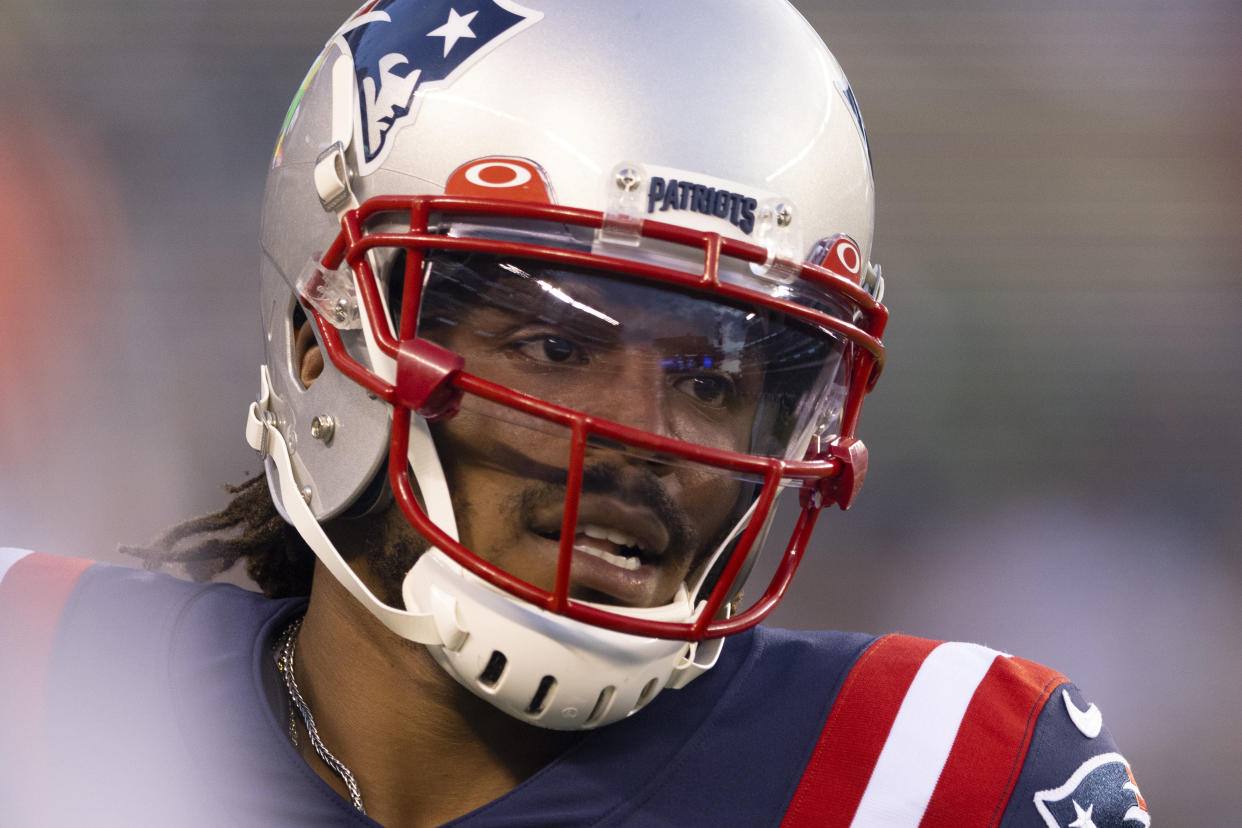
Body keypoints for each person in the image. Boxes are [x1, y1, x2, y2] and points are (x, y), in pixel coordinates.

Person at [0, 1, 1149, 825]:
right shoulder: (36, 688)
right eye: (555, 346)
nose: (640, 439)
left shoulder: (925, 772)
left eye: (710, 380)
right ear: (324, 344)